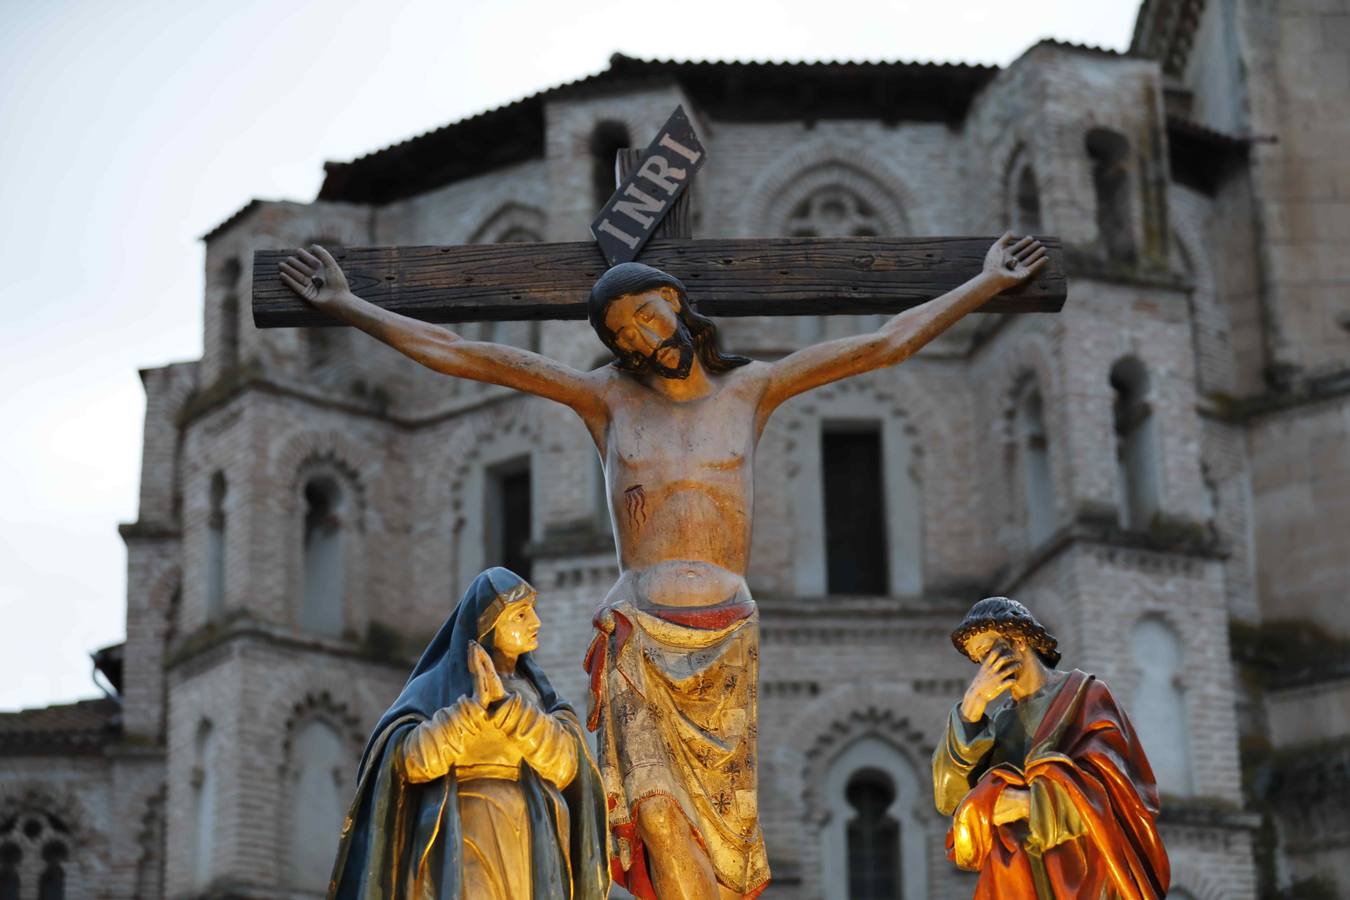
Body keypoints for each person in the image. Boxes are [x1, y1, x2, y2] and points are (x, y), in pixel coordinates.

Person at [282, 233, 1047, 900]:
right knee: (658, 818)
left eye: (648, 317)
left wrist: (985, 284)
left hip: (726, 637)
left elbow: (885, 344)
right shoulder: (606, 400)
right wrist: (351, 306)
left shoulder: (753, 389)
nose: (644, 341)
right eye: (625, 337)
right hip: (640, 637)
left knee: (723, 848)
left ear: (675, 302)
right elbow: (469, 355)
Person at [328, 567, 609, 900]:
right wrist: (470, 711)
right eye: (520, 615)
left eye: (532, 611)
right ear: (488, 625)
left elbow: (566, 768)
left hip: (533, 839)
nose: (535, 622)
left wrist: (510, 709)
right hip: (460, 835)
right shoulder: (435, 689)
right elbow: (409, 762)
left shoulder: (540, 696)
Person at [932, 597, 1170, 899]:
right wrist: (971, 707)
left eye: (987, 652)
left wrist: (1032, 804)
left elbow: (1119, 788)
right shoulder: (1000, 722)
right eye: (979, 660)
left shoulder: (1085, 696)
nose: (984, 671)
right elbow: (949, 798)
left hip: (1085, 871)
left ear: (1018, 640)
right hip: (1020, 878)